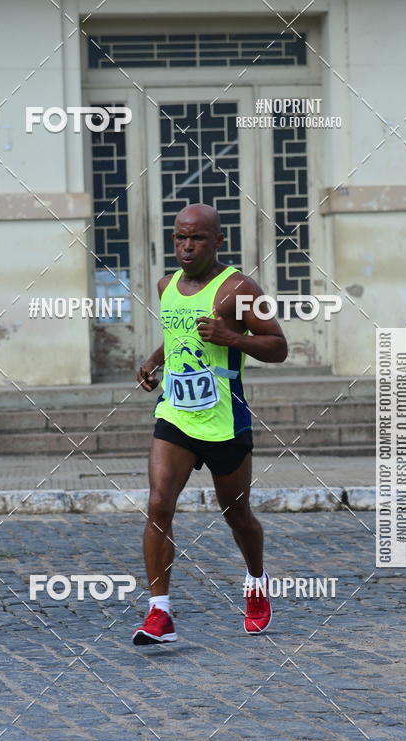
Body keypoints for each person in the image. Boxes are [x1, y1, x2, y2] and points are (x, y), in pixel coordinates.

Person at [133, 203, 288, 645]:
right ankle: (159, 614)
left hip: (224, 420)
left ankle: (256, 583)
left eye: (196, 238)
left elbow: (278, 346)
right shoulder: (167, 286)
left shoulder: (239, 288)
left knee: (236, 515)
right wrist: (152, 361)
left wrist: (232, 338)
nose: (186, 246)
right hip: (175, 413)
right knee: (159, 502)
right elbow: (175, 334)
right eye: (180, 237)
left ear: (218, 241)